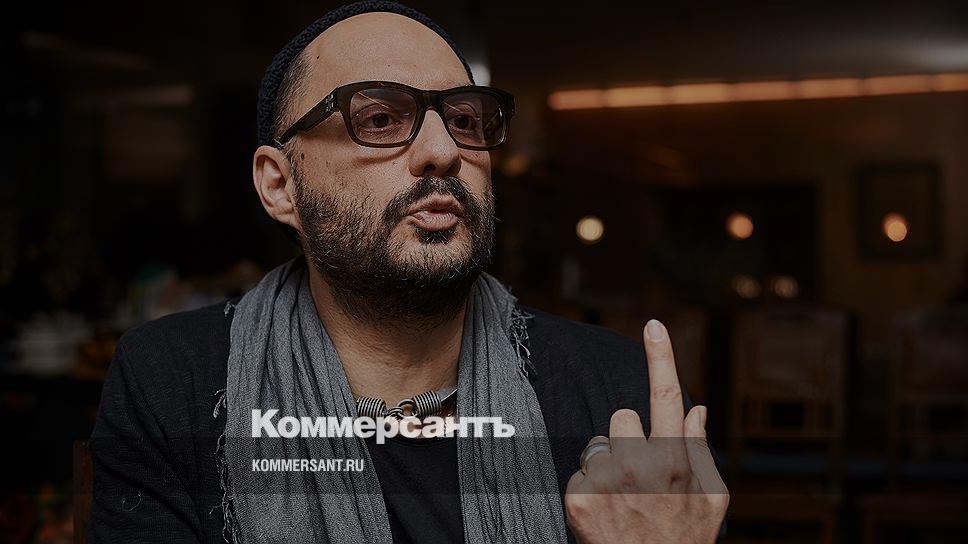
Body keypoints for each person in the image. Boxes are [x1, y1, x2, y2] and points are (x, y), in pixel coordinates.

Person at [87, 2, 728, 542]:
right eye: (378, 119)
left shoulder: (617, 394)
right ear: (280, 184)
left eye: (465, 121)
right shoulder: (175, 381)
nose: (444, 150)